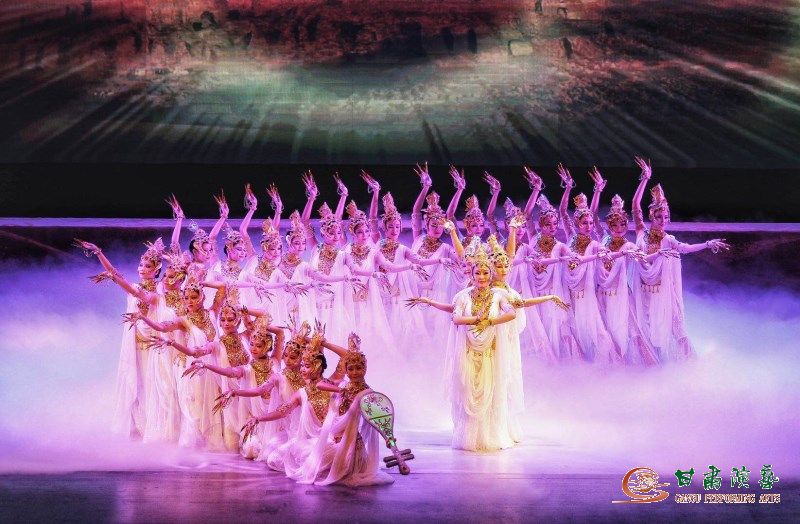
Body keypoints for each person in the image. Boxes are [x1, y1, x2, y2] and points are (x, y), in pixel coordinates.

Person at [630, 157, 729, 361]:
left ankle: (691, 363)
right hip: (644, 292)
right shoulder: (641, 233)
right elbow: (635, 205)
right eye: (659, 217)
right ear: (652, 216)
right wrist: (645, 179)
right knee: (646, 330)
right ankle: (652, 364)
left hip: (662, 294)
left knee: (676, 328)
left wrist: (707, 244)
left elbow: (685, 248)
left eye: (666, 217)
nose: (663, 221)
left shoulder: (668, 239)